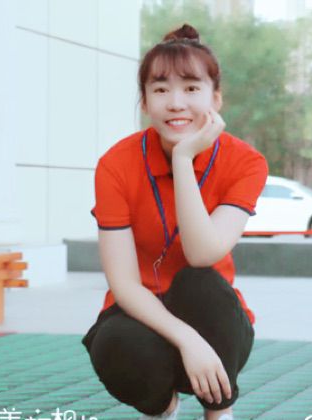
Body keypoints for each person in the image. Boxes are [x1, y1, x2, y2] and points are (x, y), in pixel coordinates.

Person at [82, 23, 268, 420]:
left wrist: (183, 159)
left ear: (216, 98)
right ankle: (164, 408)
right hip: (138, 314)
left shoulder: (245, 162)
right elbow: (123, 284)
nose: (176, 103)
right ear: (144, 101)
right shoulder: (115, 165)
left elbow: (202, 254)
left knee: (199, 283)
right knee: (115, 344)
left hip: (214, 320)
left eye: (191, 88)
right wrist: (185, 339)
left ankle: (219, 412)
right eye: (161, 89)